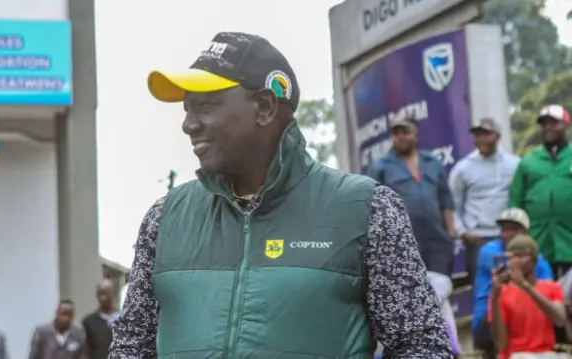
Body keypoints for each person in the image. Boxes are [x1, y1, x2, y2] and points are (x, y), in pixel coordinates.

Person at [109, 32, 452, 358]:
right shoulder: (164, 217)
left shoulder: (368, 210)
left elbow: (420, 344)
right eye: (187, 108)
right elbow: (131, 345)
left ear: (264, 107)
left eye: (205, 105)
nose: (189, 124)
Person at [366, 112, 456, 276]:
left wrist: (450, 232)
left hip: (437, 241)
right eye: (396, 132)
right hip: (402, 244)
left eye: (405, 132)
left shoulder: (432, 162)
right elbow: (371, 207)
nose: (400, 137)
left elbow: (445, 199)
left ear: (416, 134)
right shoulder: (380, 166)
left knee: (440, 290)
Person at [473, 208, 554, 358]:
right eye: (505, 229)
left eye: (514, 229)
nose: (508, 234)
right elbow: (513, 277)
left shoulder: (540, 261)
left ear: (525, 232)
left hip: (524, 323)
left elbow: (548, 291)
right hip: (487, 322)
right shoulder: (489, 252)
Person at [449, 117, 519, 279]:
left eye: (487, 134)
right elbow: (453, 205)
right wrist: (463, 231)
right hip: (477, 239)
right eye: (478, 135)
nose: (482, 139)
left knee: (512, 286)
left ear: (498, 136)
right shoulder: (463, 168)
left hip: (507, 237)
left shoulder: (514, 164)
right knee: (482, 288)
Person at [509, 104, 572, 278]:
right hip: (538, 238)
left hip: (569, 236)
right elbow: (515, 200)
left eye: (553, 122)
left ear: (566, 125)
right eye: (544, 124)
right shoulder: (529, 161)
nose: (548, 127)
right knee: (542, 290)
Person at [489, 234, 567, 358]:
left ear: (533, 259)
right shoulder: (502, 293)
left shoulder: (552, 287)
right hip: (517, 355)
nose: (514, 261)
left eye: (519, 256)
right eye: (510, 257)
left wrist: (526, 287)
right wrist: (495, 297)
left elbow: (560, 319)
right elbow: (500, 345)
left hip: (547, 354)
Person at [82, 279, 119, 359]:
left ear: (114, 293)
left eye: (106, 293)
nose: (103, 297)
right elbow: (86, 351)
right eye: (100, 293)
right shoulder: (89, 322)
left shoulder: (123, 320)